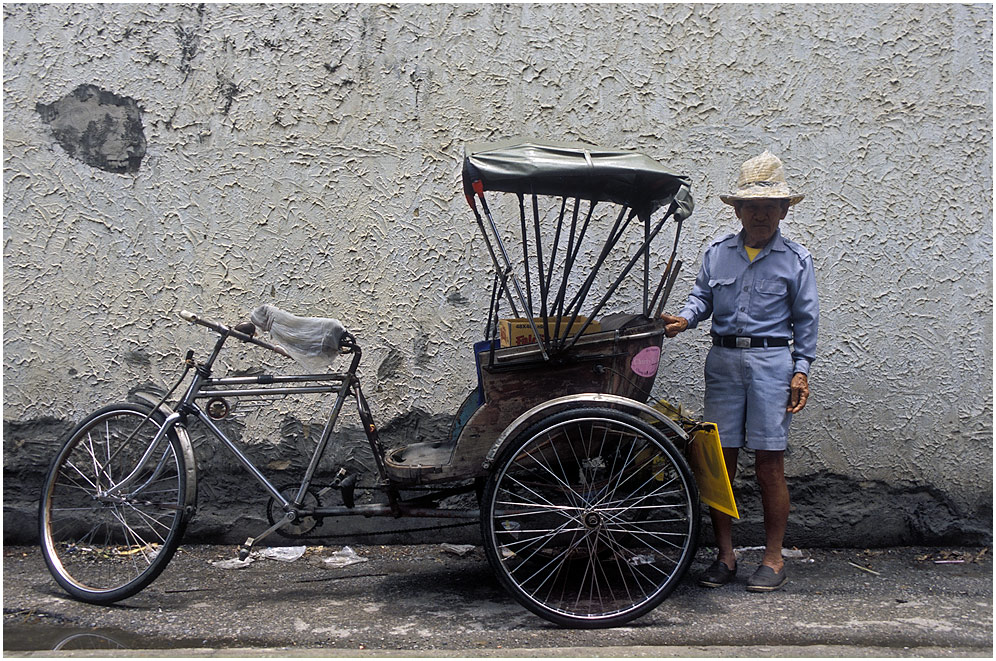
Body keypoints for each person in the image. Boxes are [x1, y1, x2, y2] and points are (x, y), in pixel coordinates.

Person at [662, 150, 818, 592]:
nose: (760, 215)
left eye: (770, 207)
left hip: (773, 364)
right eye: (752, 207)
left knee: (770, 465)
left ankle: (772, 559)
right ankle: (725, 556)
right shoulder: (717, 254)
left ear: (784, 210)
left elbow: (806, 322)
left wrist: (800, 370)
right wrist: (685, 320)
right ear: (737, 210)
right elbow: (701, 299)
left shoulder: (797, 260)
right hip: (724, 363)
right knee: (720, 464)